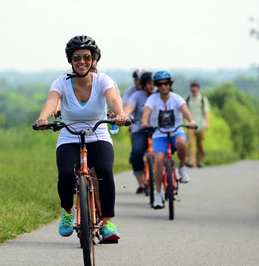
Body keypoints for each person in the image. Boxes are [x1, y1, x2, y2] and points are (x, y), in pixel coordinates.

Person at [35, 35, 129, 242]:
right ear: (70, 60)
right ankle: (68, 211)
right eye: (76, 57)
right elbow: (52, 101)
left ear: (93, 58)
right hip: (69, 136)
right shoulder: (61, 82)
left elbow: (112, 98)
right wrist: (43, 117)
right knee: (66, 175)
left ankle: (107, 222)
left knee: (104, 171)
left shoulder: (103, 80)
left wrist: (120, 113)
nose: (82, 62)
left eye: (87, 57)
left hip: (98, 134)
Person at [141, 71, 196, 209]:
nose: (163, 86)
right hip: (159, 134)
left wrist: (191, 121)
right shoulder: (152, 100)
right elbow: (146, 112)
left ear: (170, 84)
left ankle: (182, 168)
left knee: (181, 142)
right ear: (157, 86)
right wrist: (144, 122)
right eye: (160, 84)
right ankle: (158, 195)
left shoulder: (177, 99)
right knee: (159, 160)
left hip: (176, 131)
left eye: (166, 83)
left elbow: (185, 112)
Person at [124, 71, 155, 193]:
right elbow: (128, 107)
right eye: (149, 84)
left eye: (154, 84)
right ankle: (141, 183)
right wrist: (125, 115)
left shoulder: (159, 94)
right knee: (136, 153)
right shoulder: (136, 95)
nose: (152, 86)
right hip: (139, 128)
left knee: (161, 153)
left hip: (156, 129)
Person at [185, 81, 210, 168]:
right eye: (192, 89)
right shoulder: (188, 99)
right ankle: (191, 162)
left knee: (200, 145)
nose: (194, 91)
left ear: (198, 89)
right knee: (191, 145)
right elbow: (184, 111)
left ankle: (200, 162)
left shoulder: (203, 99)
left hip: (200, 125)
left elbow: (206, 112)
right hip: (190, 125)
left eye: (195, 89)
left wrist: (207, 123)